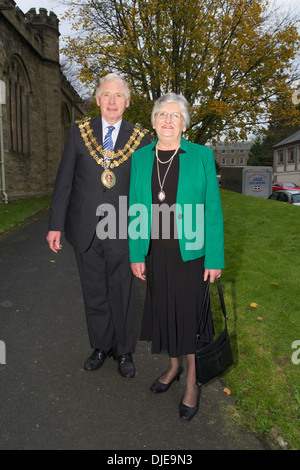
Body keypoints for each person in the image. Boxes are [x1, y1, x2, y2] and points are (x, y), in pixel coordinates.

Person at [46, 73, 151, 378]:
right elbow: (65, 180)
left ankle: (124, 350)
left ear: (127, 102)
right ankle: (101, 346)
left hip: (121, 227)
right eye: (106, 95)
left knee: (122, 291)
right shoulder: (79, 132)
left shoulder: (140, 138)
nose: (112, 101)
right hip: (84, 226)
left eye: (118, 96)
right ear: (97, 99)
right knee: (93, 290)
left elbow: (143, 189)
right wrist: (55, 224)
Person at [129, 92, 224, 420]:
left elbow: (212, 208)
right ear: (153, 121)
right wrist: (136, 252)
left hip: (192, 255)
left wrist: (214, 258)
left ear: (184, 122)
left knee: (188, 318)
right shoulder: (140, 158)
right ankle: (172, 368)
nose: (167, 121)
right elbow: (135, 208)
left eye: (175, 115)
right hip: (156, 253)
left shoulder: (201, 155)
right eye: (161, 115)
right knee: (163, 313)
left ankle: (192, 380)